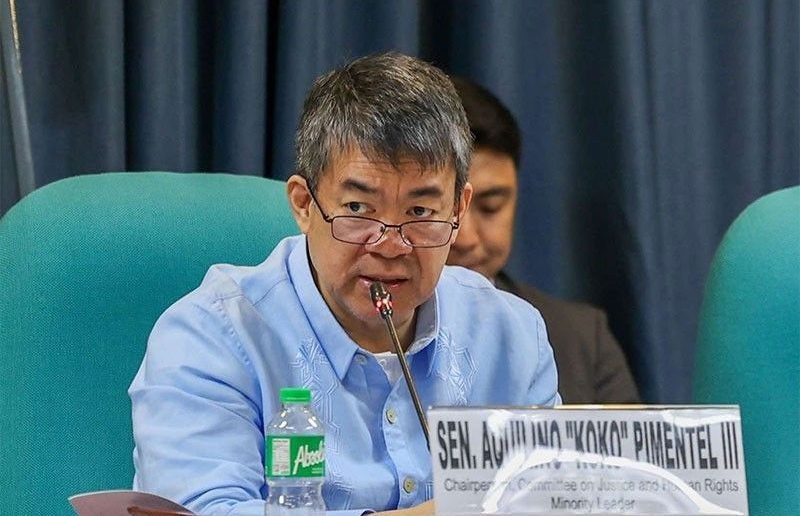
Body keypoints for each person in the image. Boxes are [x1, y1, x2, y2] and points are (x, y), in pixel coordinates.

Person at [129, 53, 560, 516]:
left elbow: (551, 498)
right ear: (303, 204)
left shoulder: (511, 335)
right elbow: (205, 511)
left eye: (420, 212)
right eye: (358, 209)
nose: (390, 245)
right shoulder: (212, 336)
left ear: (458, 210)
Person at [447, 77, 640, 404]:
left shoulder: (581, 339)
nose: (465, 237)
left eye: (491, 206)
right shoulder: (367, 331)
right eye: (446, 209)